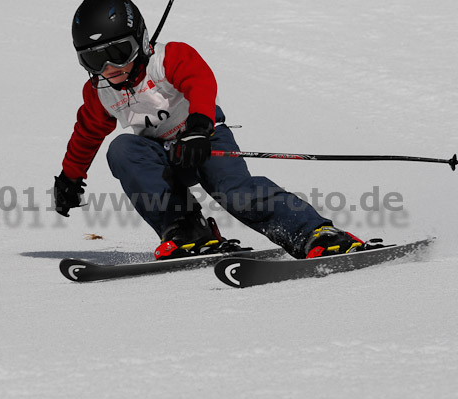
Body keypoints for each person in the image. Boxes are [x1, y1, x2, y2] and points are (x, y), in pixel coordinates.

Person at [54, 0, 364, 260]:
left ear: (141, 39)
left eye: (120, 52)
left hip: (205, 140)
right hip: (161, 157)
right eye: (95, 60)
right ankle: (187, 229)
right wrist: (70, 178)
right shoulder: (101, 92)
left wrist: (198, 128)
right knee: (122, 149)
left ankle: (313, 233)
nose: (110, 67)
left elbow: (200, 81)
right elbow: (87, 134)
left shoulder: (167, 59)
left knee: (236, 192)